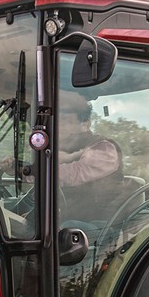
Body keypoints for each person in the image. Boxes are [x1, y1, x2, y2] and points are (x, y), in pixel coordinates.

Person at [56, 93, 123, 221]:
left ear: (85, 124)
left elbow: (72, 174)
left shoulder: (104, 149)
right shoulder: (62, 148)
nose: (58, 125)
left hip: (97, 227)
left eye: (65, 120)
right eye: (57, 120)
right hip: (67, 217)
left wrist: (27, 171)